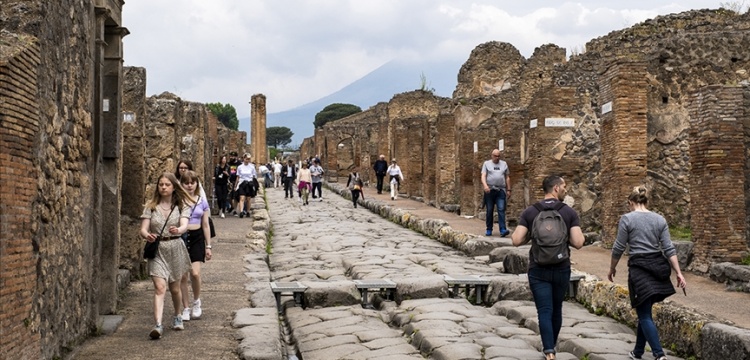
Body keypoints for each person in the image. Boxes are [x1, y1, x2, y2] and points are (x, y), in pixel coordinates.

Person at [511, 175, 585, 360]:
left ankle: (549, 351)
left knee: (544, 310)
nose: (565, 189)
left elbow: (516, 240)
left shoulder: (531, 212)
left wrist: (532, 236)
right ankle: (552, 345)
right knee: (557, 308)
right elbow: (578, 243)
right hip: (561, 267)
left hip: (538, 268)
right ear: (556, 189)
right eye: (564, 186)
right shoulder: (568, 213)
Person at [608, 185, 686, 360]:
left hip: (639, 269)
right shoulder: (660, 219)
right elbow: (668, 248)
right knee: (646, 311)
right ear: (646, 201)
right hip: (658, 267)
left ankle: (659, 355)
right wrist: (679, 273)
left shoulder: (627, 219)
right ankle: (638, 352)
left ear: (630, 202)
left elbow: (618, 247)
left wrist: (612, 268)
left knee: (644, 314)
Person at [140, 172, 194, 339]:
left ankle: (178, 315)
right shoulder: (151, 206)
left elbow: (184, 224)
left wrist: (178, 229)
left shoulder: (181, 206)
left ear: (173, 187)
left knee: (175, 289)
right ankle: (158, 324)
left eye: (167, 184)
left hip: (175, 247)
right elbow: (143, 228)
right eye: (161, 184)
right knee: (159, 287)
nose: (163, 187)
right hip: (158, 249)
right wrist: (146, 235)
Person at [179, 171, 213, 322]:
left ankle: (196, 301)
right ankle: (185, 307)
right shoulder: (178, 202)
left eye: (192, 182)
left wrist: (208, 246)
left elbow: (205, 225)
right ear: (182, 185)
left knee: (195, 273)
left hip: (197, 237)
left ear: (196, 184)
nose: (190, 185)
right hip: (181, 237)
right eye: (186, 183)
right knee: (182, 276)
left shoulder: (202, 201)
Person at [481, 149, 510, 237]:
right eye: (495, 156)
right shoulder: (486, 164)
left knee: (501, 209)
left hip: (500, 190)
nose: (497, 158)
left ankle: (502, 229)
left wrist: (509, 189)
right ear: (492, 155)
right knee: (489, 210)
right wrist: (485, 186)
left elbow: (507, 177)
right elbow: (483, 175)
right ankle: (489, 229)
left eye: (498, 156)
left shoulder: (504, 164)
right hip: (489, 190)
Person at [235, 154, 257, 218]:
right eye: (246, 159)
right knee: (242, 198)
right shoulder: (240, 167)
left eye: (249, 159)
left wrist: (254, 185)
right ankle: (241, 211)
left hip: (249, 183)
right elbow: (238, 177)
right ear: (244, 159)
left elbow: (254, 176)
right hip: (242, 183)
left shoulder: (252, 167)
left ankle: (247, 211)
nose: (247, 160)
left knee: (248, 199)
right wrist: (236, 186)